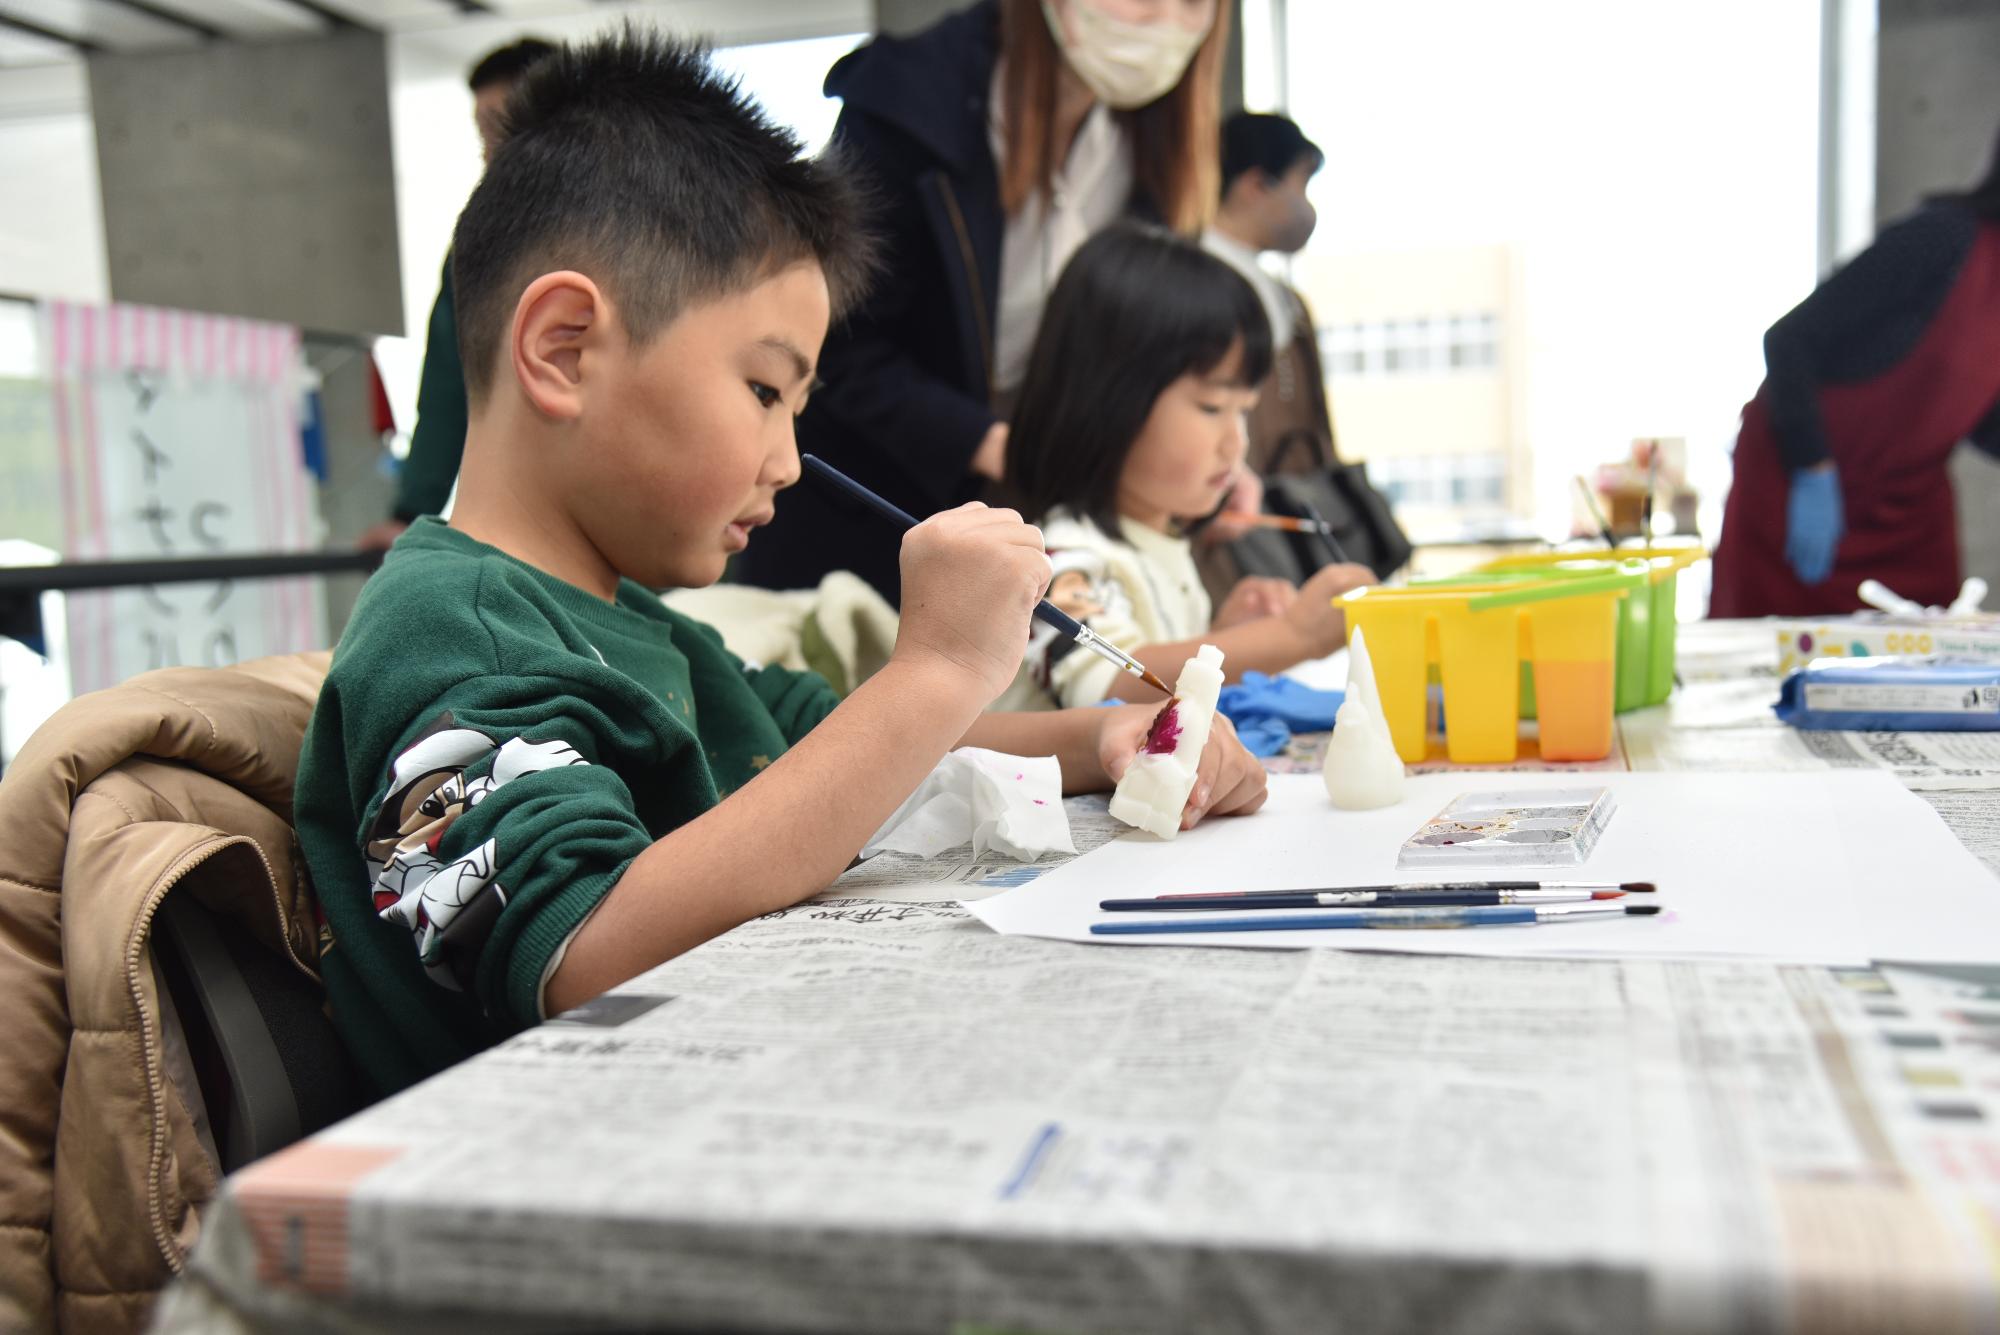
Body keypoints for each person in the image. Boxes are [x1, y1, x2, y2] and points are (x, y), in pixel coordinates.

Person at [294, 31, 1268, 1095]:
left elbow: (840, 755)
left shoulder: (643, 630)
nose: (789, 462)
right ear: (563, 348)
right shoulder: (452, 632)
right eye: (764, 391)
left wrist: (1105, 734)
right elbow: (584, 953)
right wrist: (933, 668)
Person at [739, 0, 1233, 601]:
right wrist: (988, 441)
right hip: (866, 516)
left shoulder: (1150, 144)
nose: (1161, 16)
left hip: (1030, 513)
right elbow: (835, 341)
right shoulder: (908, 103)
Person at [995, 224, 1375, 711]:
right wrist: (1292, 635)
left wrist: (1224, 639)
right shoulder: (1058, 557)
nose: (1237, 441)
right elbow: (1111, 686)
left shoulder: (1161, 547)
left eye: (1245, 411)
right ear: (1110, 402)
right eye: (1213, 407)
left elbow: (1170, 698)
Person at [1711, 127, 2000, 616]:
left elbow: (1976, 412)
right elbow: (1790, 338)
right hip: (1802, 484)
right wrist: (1814, 470)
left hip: (1908, 514)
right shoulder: (1944, 239)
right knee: (1778, 658)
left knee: (1933, 671)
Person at [357, 37, 557, 552]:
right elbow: (448, 380)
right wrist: (410, 511)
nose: (490, 151)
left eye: (497, 127)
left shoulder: (645, 226)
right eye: (481, 133)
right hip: (534, 520)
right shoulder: (482, 242)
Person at [1203, 110, 1335, 478]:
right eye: (1302, 184)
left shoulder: (1279, 294)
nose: (1306, 206)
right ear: (1256, 185)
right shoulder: (1195, 285)